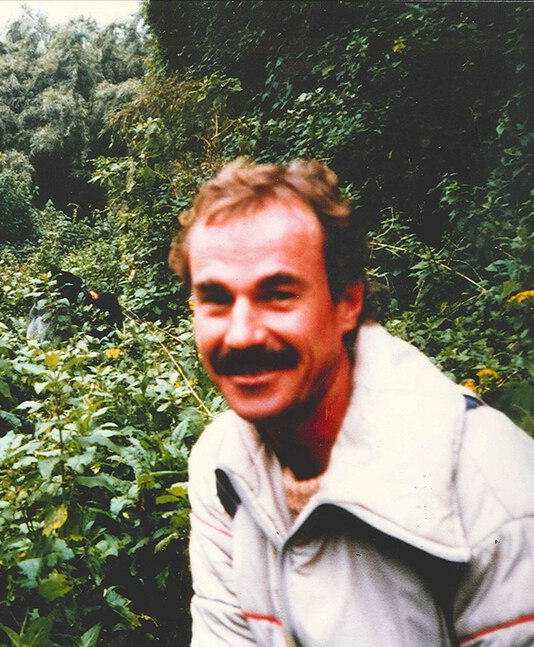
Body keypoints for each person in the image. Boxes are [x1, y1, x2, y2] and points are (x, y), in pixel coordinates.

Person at [170, 158, 534, 646]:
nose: (240, 335)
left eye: (277, 294)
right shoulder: (222, 465)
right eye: (215, 298)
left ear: (347, 303)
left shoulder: (494, 485)